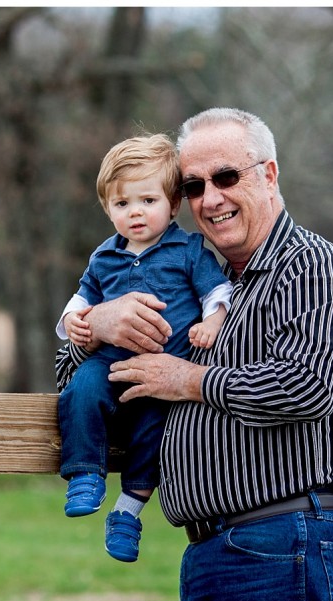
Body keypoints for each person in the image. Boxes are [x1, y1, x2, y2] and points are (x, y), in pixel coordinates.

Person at [55, 108, 333, 601]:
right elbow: (74, 390)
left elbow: (307, 386)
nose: (210, 198)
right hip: (210, 552)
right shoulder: (186, 281)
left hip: (285, 542)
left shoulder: (315, 268)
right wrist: (96, 328)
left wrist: (189, 379)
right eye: (195, 186)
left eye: (226, 177)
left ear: (269, 174)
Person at [56, 134, 233, 563]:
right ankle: (85, 474)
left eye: (148, 201)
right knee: (80, 391)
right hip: (111, 364)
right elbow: (77, 306)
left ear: (172, 204)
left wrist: (212, 322)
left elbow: (217, 293)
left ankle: (128, 512)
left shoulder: (188, 250)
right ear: (107, 209)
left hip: (164, 374)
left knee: (156, 435)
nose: (135, 212)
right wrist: (78, 325)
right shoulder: (103, 258)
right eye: (122, 204)